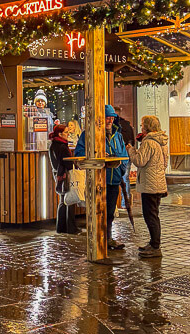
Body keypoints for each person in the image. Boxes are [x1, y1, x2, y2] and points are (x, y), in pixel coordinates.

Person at [75, 103, 129, 250]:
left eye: (112, 118)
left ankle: (108, 238)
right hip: (98, 180)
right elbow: (79, 154)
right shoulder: (88, 135)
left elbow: (124, 156)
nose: (110, 120)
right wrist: (96, 156)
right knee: (97, 211)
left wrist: (121, 168)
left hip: (114, 179)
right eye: (107, 118)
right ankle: (97, 240)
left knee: (110, 212)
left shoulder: (118, 135)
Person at [127, 115, 168, 258]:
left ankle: (155, 247)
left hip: (150, 185)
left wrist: (131, 150)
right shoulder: (162, 141)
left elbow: (139, 161)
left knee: (150, 216)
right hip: (158, 183)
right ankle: (153, 243)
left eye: (142, 124)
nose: (141, 127)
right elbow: (164, 163)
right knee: (153, 215)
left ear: (147, 127)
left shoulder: (149, 142)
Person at [48, 123, 80, 234]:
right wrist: (75, 163)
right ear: (60, 134)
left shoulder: (53, 145)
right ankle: (71, 228)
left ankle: (61, 227)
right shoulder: (62, 145)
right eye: (66, 132)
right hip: (66, 175)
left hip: (58, 174)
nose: (68, 134)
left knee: (63, 200)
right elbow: (67, 162)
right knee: (69, 200)